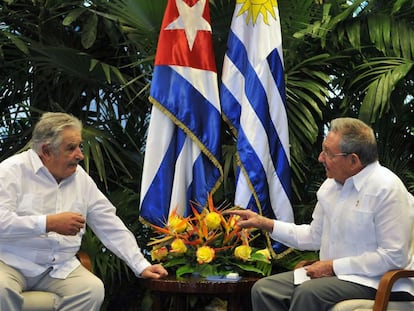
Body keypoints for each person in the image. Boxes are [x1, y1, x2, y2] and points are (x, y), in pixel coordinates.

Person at [228, 117, 414, 311]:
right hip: (335, 278)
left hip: (377, 281)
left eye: (328, 153)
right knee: (264, 289)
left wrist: (333, 266)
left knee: (309, 293)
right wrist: (266, 223)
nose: (320, 158)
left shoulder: (386, 189)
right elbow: (313, 236)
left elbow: (393, 257)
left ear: (353, 160)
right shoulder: (330, 187)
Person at [0, 112, 168, 310]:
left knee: (91, 290)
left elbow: (109, 224)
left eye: (79, 146)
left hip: (57, 268)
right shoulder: (11, 171)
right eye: (71, 148)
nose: (80, 154)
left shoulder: (80, 178)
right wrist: (48, 223)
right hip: (9, 262)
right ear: (46, 151)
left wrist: (141, 265)